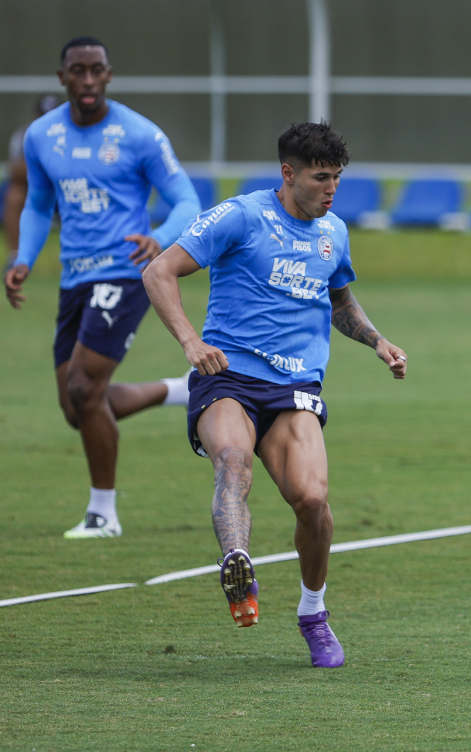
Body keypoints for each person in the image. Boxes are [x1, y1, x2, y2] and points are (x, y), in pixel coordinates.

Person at [142, 121, 407, 668]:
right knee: (233, 461)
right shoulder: (240, 215)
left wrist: (378, 342)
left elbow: (339, 303)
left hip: (294, 386)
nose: (331, 189)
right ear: (287, 174)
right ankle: (237, 562)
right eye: (319, 178)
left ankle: (313, 612)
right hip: (228, 375)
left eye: (336, 178)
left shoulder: (334, 231)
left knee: (312, 501)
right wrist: (191, 342)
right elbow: (158, 271)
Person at [4, 37, 200, 538]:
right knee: (78, 408)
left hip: (124, 271)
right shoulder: (41, 136)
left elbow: (186, 202)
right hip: (75, 277)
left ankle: (103, 513)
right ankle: (179, 390)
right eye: (78, 71)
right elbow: (37, 204)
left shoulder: (139, 135)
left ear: (109, 75)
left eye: (96, 71)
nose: (88, 81)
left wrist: (157, 239)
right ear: (62, 78)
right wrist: (22, 258)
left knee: (82, 388)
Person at [4, 93, 61, 268]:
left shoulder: (75, 133)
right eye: (43, 116)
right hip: (37, 192)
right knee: (14, 196)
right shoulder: (24, 135)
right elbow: (15, 171)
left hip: (68, 191)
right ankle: (15, 257)